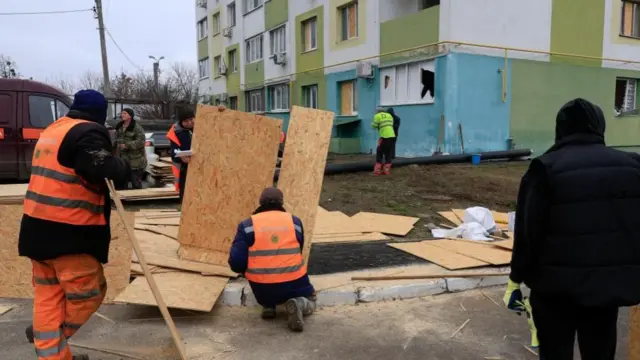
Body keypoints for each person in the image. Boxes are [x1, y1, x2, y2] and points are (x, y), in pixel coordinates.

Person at [502, 98, 640, 359]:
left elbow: (528, 232)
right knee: (600, 352)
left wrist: (515, 279)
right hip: (605, 291)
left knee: (555, 352)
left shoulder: (545, 168)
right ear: (600, 127)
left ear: (561, 128)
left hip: (554, 292)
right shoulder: (632, 166)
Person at [19, 89, 131, 360]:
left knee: (49, 295)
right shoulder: (87, 131)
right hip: (69, 233)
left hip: (36, 232)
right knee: (90, 293)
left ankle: (52, 352)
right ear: (99, 115)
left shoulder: (53, 130)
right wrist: (123, 166)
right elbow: (100, 167)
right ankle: (51, 338)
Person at [228, 187, 316, 332]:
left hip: (262, 287)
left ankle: (269, 306)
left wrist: (245, 272)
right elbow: (298, 250)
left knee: (267, 293)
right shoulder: (295, 222)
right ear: (282, 203)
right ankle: (299, 303)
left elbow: (236, 261)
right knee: (311, 299)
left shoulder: (247, 225)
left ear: (260, 202)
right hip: (294, 282)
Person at [114, 108, 147, 189]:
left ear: (130, 116)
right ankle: (123, 200)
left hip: (135, 160)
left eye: (125, 113)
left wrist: (127, 145)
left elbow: (141, 141)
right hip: (122, 160)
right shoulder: (119, 127)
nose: (122, 115)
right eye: (122, 113)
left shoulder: (136, 128)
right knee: (121, 183)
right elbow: (116, 139)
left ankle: (138, 200)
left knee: (136, 183)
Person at [166, 107, 195, 202]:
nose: (190, 123)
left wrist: (220, 110)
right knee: (185, 191)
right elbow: (174, 151)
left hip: (202, 164)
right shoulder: (176, 132)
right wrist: (181, 157)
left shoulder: (201, 126)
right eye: (186, 121)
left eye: (191, 119)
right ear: (181, 121)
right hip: (185, 167)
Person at [371, 107, 396, 175]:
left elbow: (373, 126)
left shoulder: (377, 116)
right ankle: (386, 170)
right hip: (392, 136)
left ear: (377, 112)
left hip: (384, 136)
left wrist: (375, 125)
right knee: (388, 153)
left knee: (379, 151)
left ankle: (377, 171)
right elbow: (391, 124)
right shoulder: (389, 115)